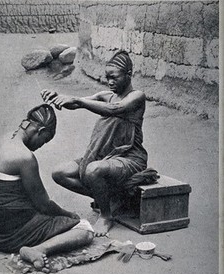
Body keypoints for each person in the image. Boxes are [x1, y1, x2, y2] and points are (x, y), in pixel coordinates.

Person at [0, 104, 94, 273]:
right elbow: (43, 204)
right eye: (44, 140)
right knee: (84, 230)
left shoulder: (2, 138)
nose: (40, 146)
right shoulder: (25, 157)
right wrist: (68, 215)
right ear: (40, 130)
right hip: (8, 236)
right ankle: (39, 249)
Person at [41, 50, 148, 237]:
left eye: (114, 77)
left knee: (92, 170)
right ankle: (109, 198)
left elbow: (116, 109)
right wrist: (57, 96)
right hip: (105, 156)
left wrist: (78, 101)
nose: (110, 82)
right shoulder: (106, 95)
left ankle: (106, 215)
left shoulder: (137, 96)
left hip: (130, 158)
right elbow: (76, 103)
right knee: (59, 173)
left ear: (128, 75)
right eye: (107, 78)